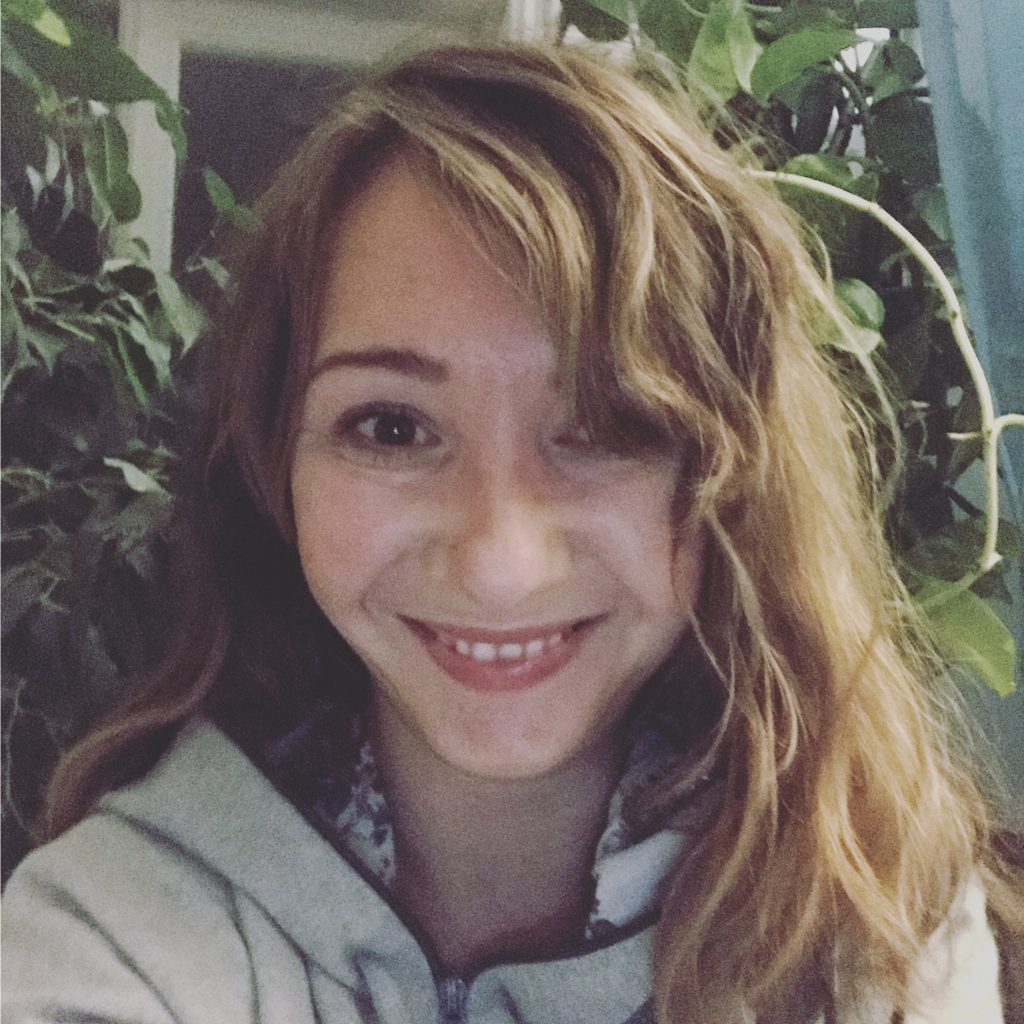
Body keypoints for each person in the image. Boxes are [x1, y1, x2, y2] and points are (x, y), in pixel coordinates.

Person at [2, 42, 1021, 1024]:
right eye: (391, 428)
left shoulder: (877, 924)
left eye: (608, 425)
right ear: (278, 462)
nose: (498, 564)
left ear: (736, 474)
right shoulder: (104, 939)